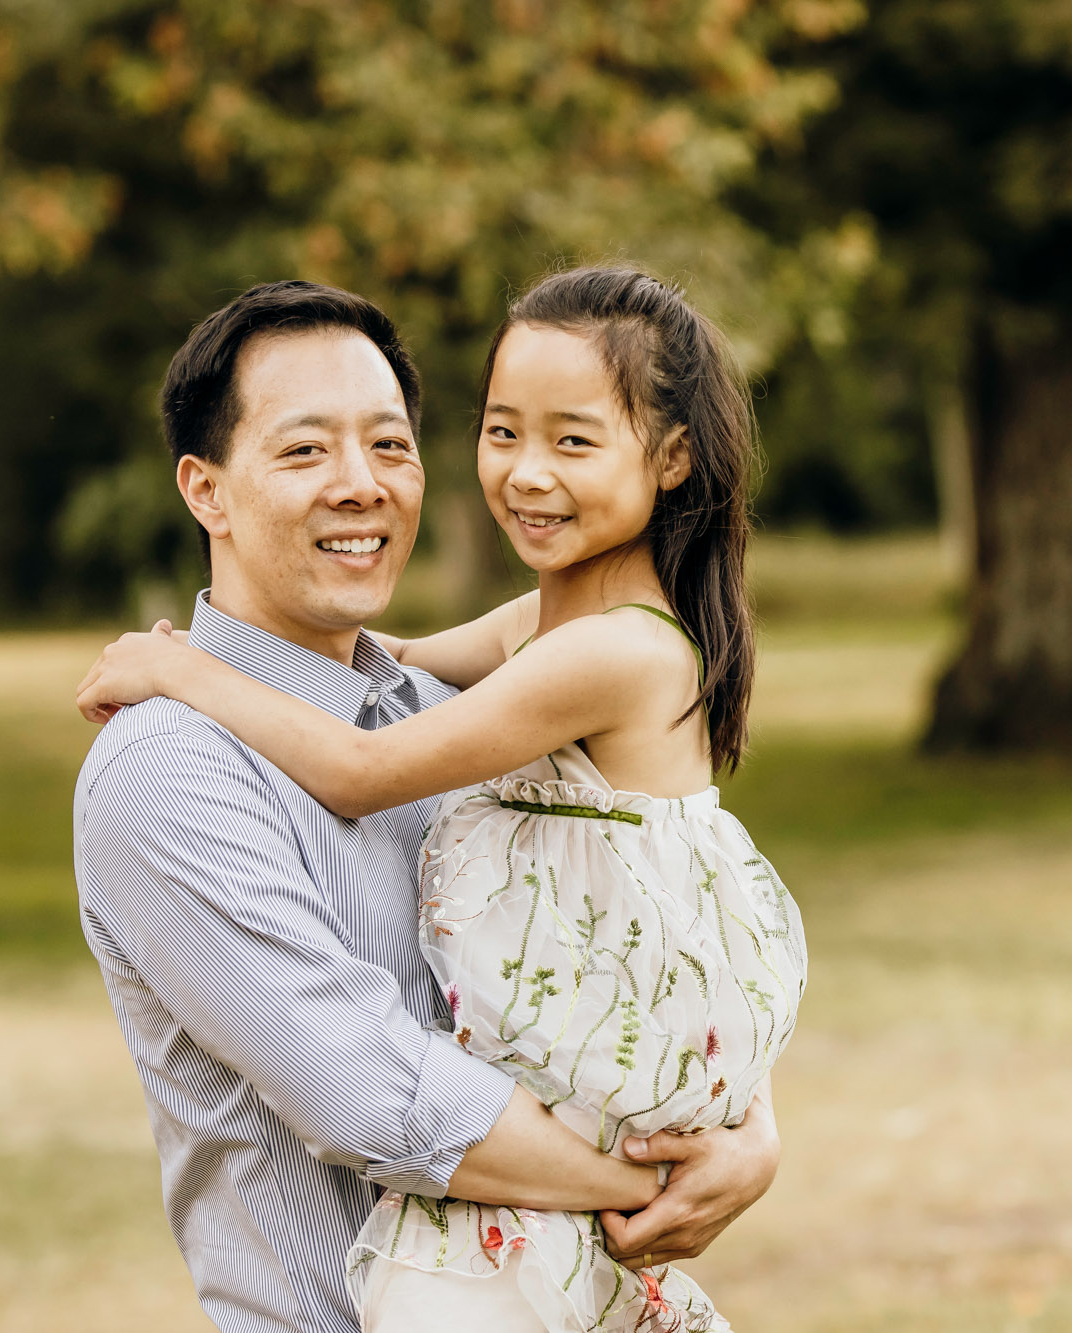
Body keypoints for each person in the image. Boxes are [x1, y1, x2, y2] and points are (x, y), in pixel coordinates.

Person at [78, 267, 806, 1332]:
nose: (359, 482)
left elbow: (642, 937)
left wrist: (744, 1134)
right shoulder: (169, 767)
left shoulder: (441, 712)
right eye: (303, 448)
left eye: (387, 443)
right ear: (206, 491)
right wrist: (652, 1184)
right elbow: (373, 1098)